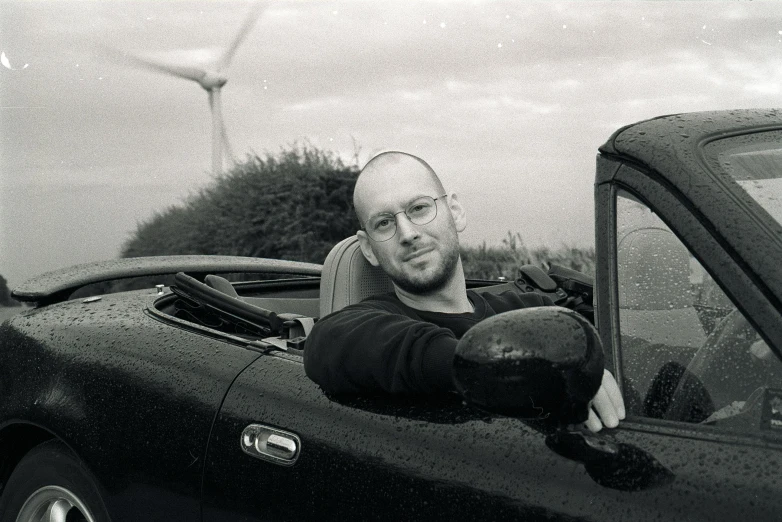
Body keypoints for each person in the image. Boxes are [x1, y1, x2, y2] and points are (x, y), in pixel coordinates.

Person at [304, 151, 625, 432]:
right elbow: (325, 343)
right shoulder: (367, 323)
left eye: (419, 208)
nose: (408, 233)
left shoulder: (530, 306)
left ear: (455, 212)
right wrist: (501, 370)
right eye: (384, 223)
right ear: (368, 248)